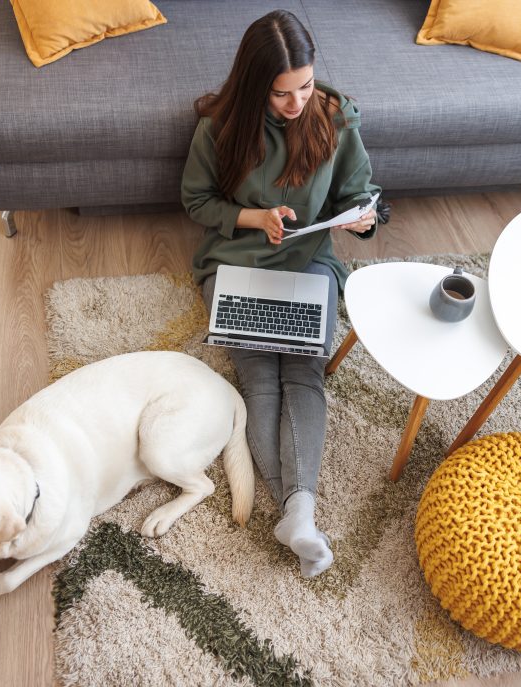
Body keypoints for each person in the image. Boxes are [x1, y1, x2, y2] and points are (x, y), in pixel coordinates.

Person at [181, 9, 382, 578]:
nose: (297, 105)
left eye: (307, 86)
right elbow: (197, 202)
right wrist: (255, 217)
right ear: (254, 88)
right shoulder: (220, 129)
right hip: (235, 261)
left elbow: (359, 193)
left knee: (304, 371)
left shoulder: (334, 121)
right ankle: (295, 511)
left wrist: (360, 221)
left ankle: (298, 512)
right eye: (281, 94)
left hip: (310, 260)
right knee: (258, 378)